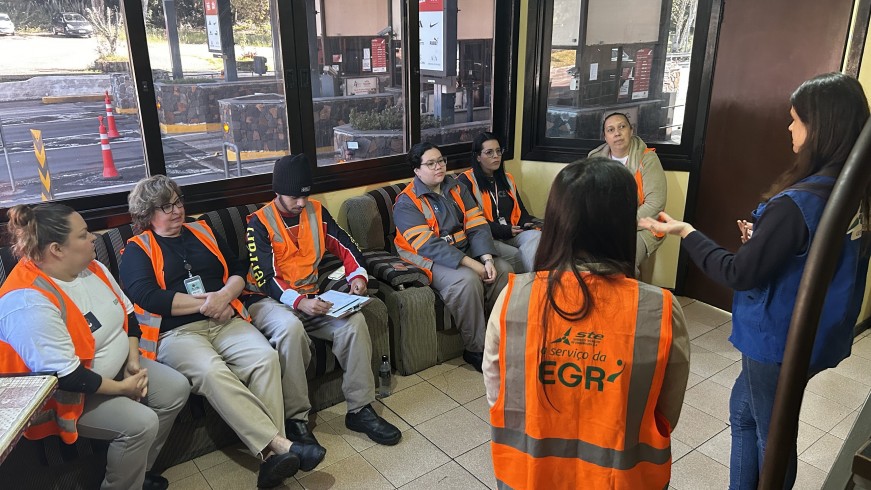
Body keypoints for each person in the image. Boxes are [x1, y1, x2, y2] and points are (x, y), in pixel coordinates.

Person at [640, 72, 871, 489]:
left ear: (823, 128)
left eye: (796, 119)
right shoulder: (852, 194)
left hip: (778, 340)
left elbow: (737, 273)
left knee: (774, 437)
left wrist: (685, 232)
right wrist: (766, 242)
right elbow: (816, 256)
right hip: (819, 335)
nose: (789, 128)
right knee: (743, 414)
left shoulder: (795, 204)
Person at [483, 158, 690, 489]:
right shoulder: (660, 308)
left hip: (529, 475)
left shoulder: (512, 299)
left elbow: (497, 394)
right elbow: (667, 411)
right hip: (623, 479)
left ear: (554, 221)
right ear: (623, 224)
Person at [120, 175, 316, 489]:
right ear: (147, 214)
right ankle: (280, 447)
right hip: (176, 335)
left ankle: (271, 458)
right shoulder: (136, 248)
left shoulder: (203, 229)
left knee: (265, 358)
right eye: (165, 206)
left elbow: (239, 268)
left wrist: (224, 297)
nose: (176, 210)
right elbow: (147, 296)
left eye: (178, 201)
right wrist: (207, 304)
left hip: (226, 319)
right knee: (212, 370)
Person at [0, 203, 191, 490]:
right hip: (68, 395)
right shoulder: (28, 303)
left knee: (176, 388)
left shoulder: (93, 267)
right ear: (57, 249)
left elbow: (129, 317)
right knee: (141, 423)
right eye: (83, 234)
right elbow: (67, 377)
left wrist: (133, 362)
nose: (94, 238)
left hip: (119, 367)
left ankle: (137, 471)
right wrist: (124, 389)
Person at [246, 153, 402, 448]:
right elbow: (264, 276)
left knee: (353, 323)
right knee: (290, 331)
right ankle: (296, 420)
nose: (301, 203)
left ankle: (360, 409)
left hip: (311, 296)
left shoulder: (317, 211)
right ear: (277, 191)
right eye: (294, 197)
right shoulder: (259, 223)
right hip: (269, 300)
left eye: (305, 195)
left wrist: (358, 275)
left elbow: (347, 245)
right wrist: (299, 302)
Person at [394, 142, 512, 372]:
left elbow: (477, 224)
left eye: (441, 160)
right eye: (431, 163)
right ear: (417, 171)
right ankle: (475, 349)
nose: (439, 166)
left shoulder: (457, 187)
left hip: (463, 247)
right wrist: (472, 265)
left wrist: (486, 259)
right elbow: (429, 245)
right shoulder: (406, 202)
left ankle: (499, 338)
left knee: (504, 270)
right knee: (466, 281)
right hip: (427, 258)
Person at [588, 112, 667, 272]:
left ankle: (629, 294)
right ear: (605, 137)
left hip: (643, 227)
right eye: (610, 130)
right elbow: (587, 200)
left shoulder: (647, 159)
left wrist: (620, 226)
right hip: (604, 226)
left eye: (622, 127)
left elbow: (655, 205)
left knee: (619, 264)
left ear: (631, 131)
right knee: (582, 260)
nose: (617, 133)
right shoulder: (594, 159)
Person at [458, 132, 541, 273]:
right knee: (520, 256)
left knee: (538, 238)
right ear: (478, 157)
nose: (496, 156)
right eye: (489, 152)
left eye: (498, 151)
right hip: (489, 237)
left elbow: (521, 211)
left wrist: (529, 223)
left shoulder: (507, 178)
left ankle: (535, 284)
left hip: (513, 232)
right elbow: (471, 221)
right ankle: (532, 285)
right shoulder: (465, 181)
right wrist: (505, 230)